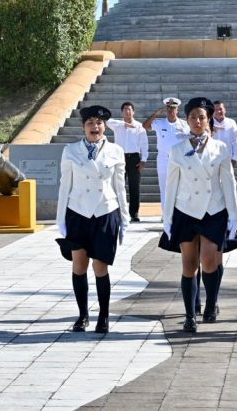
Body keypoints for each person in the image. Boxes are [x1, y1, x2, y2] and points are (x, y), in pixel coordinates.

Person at [162, 97, 237, 333]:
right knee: (189, 263)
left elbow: (229, 182)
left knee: (208, 259)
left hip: (213, 210)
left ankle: (211, 303)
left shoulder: (221, 148)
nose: (197, 121)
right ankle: (189, 315)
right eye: (193, 117)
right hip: (185, 210)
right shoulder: (177, 149)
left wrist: (234, 215)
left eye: (202, 117)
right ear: (187, 120)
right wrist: (167, 218)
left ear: (209, 120)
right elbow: (171, 185)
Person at [56, 105, 129, 334]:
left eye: (98, 123)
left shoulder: (116, 151)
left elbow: (120, 187)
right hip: (78, 213)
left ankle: (104, 316)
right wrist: (61, 220)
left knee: (100, 267)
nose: (94, 127)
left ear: (104, 126)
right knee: (79, 265)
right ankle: (82, 315)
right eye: (90, 123)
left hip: (106, 212)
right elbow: (64, 186)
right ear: (83, 127)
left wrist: (124, 220)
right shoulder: (70, 151)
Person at [143, 98, 190, 208]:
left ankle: (180, 211)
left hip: (179, 158)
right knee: (164, 186)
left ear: (177, 110)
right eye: (168, 108)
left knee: (181, 186)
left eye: (173, 108)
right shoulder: (160, 123)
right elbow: (145, 126)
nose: (171, 111)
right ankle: (166, 213)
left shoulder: (184, 125)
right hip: (164, 158)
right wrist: (156, 113)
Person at [107, 102, 149, 222]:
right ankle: (119, 212)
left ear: (133, 111)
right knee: (119, 186)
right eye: (125, 109)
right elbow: (106, 121)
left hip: (134, 158)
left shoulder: (139, 126)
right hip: (120, 158)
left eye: (129, 109)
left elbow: (144, 144)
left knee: (134, 186)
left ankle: (134, 213)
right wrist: (123, 124)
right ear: (122, 112)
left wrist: (143, 160)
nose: (127, 111)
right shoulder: (117, 125)